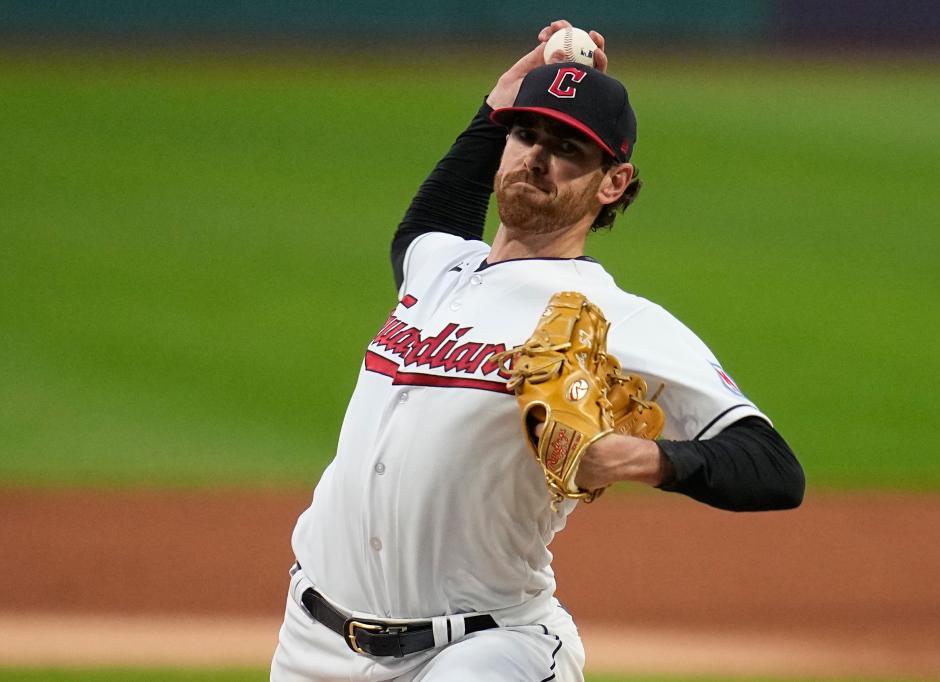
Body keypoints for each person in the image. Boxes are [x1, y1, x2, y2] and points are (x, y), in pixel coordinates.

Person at [271, 20, 805, 681]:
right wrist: (495, 106)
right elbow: (424, 225)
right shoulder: (439, 267)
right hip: (311, 644)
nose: (536, 158)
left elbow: (774, 469)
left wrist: (637, 457)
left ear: (613, 183)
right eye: (526, 135)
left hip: (480, 649)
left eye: (569, 149)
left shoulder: (613, 317)